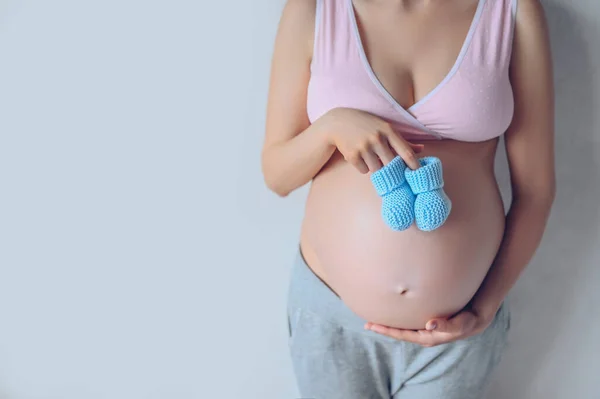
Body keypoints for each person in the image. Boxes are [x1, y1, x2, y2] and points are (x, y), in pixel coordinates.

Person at [261, 0, 555, 397]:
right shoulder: (314, 8)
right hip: (331, 321)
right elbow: (277, 175)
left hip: (454, 336)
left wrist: (483, 310)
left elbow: (536, 190)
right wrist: (330, 128)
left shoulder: (511, 10)